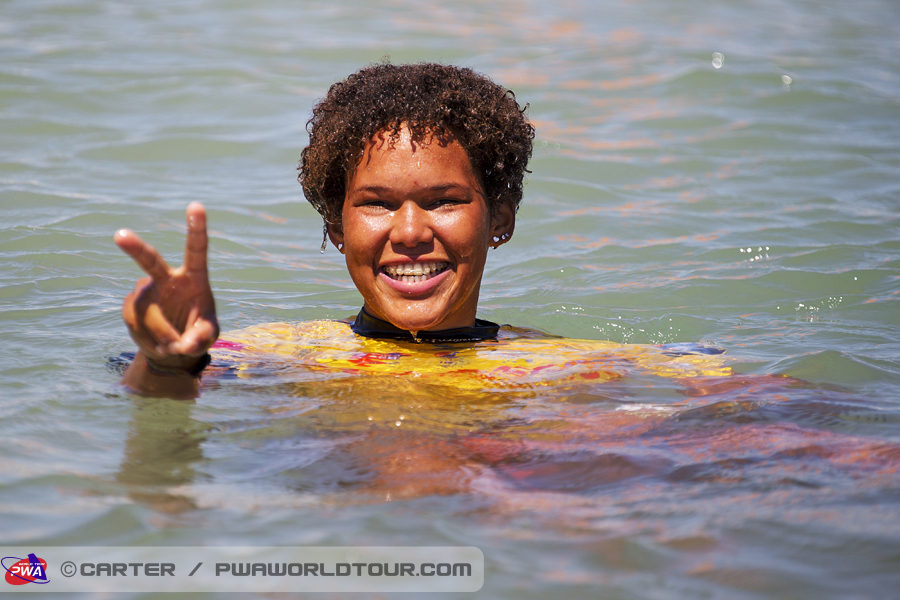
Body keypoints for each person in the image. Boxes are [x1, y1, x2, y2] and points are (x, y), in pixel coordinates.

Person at [114, 62, 536, 398]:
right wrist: (164, 361)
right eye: (377, 203)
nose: (410, 232)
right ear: (337, 228)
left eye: (443, 200)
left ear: (500, 218)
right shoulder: (273, 358)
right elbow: (159, 408)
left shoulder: (566, 370)